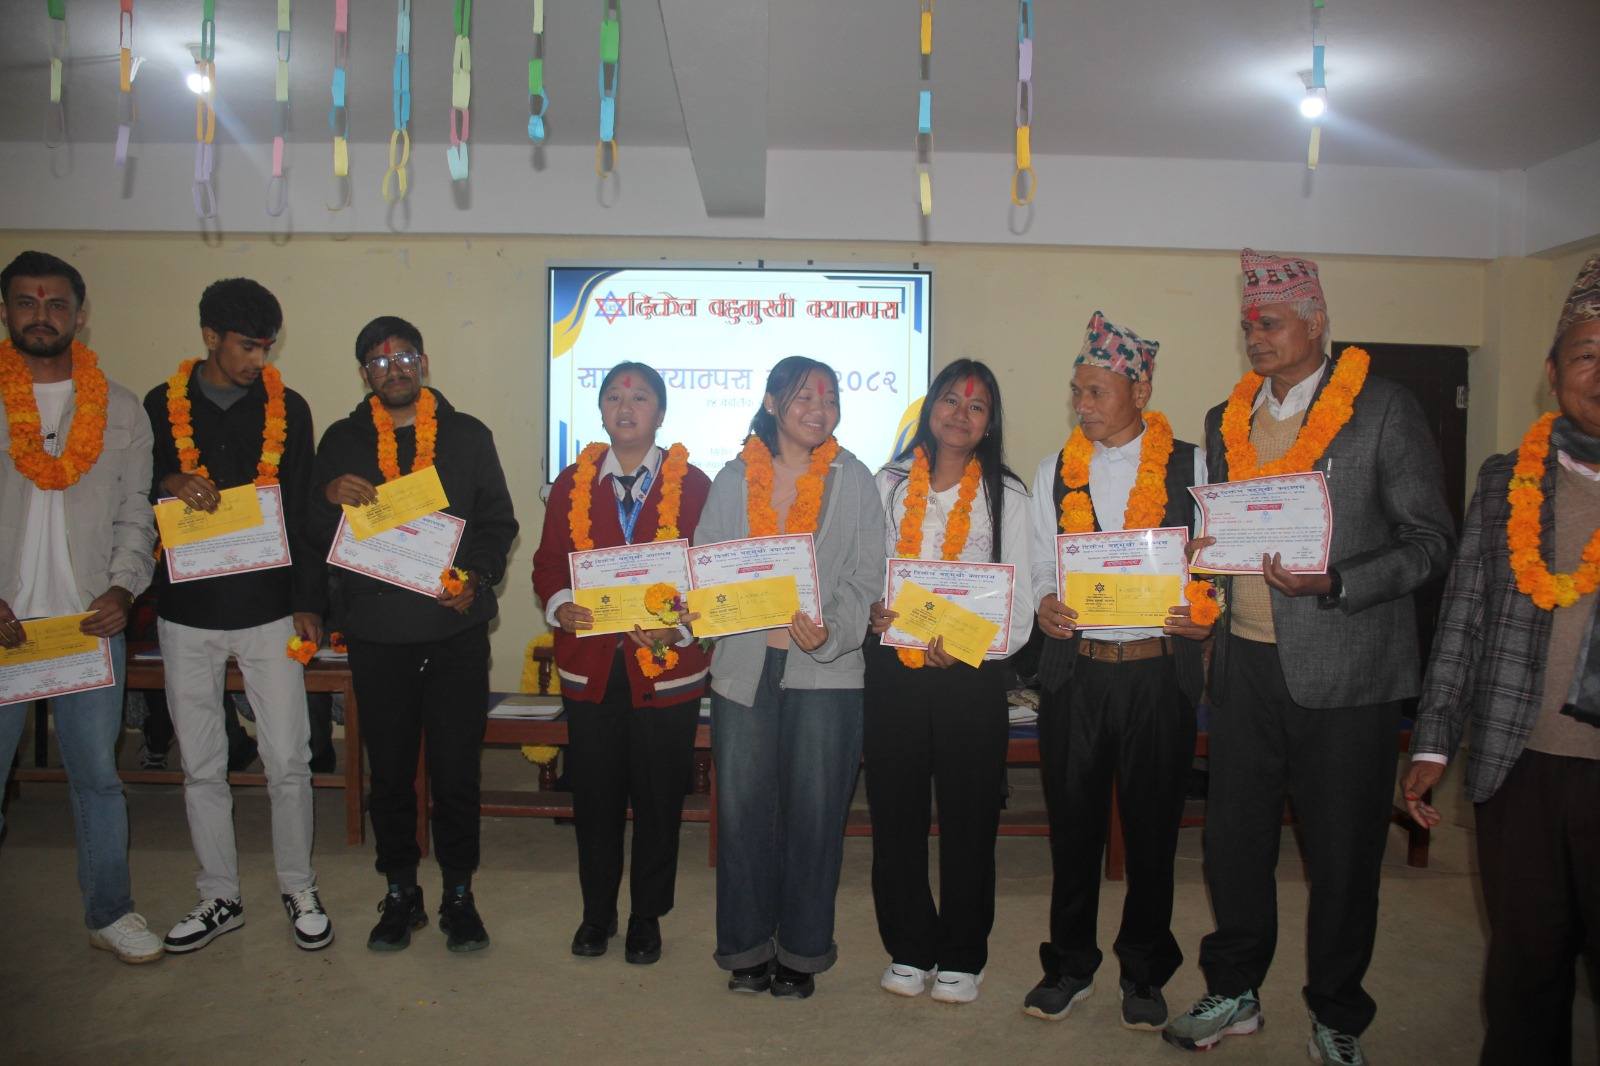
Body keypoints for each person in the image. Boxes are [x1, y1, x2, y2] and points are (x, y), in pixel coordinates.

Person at [1163, 250, 1454, 1064]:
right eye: (1247, 324)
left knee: (1343, 854)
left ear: (1318, 322)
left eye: (1271, 321)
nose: (1255, 336)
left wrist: (1337, 581)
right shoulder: (1227, 417)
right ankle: (1235, 991)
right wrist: (1200, 580)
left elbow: (1430, 542)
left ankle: (1337, 1012)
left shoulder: (1383, 408)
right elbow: (1224, 534)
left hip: (1350, 674)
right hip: (1246, 667)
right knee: (1234, 843)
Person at [1402, 255, 1600, 1066]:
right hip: (1519, 764)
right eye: (1587, 355)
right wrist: (1431, 742)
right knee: (1525, 965)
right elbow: (1464, 619)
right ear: (1553, 373)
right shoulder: (1504, 481)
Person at [1023, 313, 1212, 1029]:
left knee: (1153, 832)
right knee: (1072, 830)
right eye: (1077, 390)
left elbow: (1216, 561)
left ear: (1141, 390)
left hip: (1158, 676)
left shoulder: (1193, 466)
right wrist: (1044, 602)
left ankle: (1145, 970)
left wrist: (1208, 609)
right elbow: (1041, 562)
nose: (1082, 404)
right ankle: (1068, 966)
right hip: (1078, 674)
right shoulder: (1053, 470)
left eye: (1096, 391)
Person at [309, 316, 517, 953]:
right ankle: (400, 891)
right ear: (364, 374)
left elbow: (497, 523)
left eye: (404, 356)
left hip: (454, 630)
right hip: (377, 634)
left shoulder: (467, 434)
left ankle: (459, 893)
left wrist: (476, 577)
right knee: (391, 774)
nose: (393, 368)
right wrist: (327, 495)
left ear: (423, 363)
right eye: (378, 361)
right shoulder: (341, 440)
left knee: (456, 773)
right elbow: (313, 534)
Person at [141, 278, 330, 954]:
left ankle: (299, 885)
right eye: (247, 345)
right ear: (210, 337)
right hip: (185, 609)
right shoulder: (160, 405)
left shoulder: (290, 407)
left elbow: (304, 509)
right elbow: (134, 490)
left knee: (288, 758)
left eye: (266, 347)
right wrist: (167, 482)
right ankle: (218, 895)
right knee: (201, 763)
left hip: (269, 607)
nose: (258, 359)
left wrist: (309, 601)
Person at [695, 355, 885, 999]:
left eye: (829, 398)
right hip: (744, 669)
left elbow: (868, 575)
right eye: (804, 396)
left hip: (825, 672)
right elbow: (708, 566)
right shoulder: (732, 477)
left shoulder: (854, 479)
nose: (818, 409)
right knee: (743, 812)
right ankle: (746, 949)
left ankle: (802, 953)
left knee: (816, 813)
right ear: (773, 403)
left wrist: (833, 628)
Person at [0, 250, 161, 963]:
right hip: (3, 626)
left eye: (57, 304)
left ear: (80, 315)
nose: (42, 315)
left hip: (87, 625)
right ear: (6, 311)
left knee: (97, 777)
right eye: (27, 302)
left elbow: (136, 511)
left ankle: (110, 912)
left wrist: (124, 587)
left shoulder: (120, 409)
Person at [532, 361, 713, 965]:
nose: (626, 407)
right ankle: (597, 914)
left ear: (661, 412)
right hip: (593, 669)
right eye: (613, 396)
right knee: (596, 799)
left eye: (639, 397)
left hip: (669, 669)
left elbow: (712, 575)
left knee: (660, 801)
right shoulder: (571, 483)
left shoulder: (696, 486)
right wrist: (561, 605)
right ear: (602, 411)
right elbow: (548, 564)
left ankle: (646, 916)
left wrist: (679, 624)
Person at [864, 358, 1032, 1005]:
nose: (962, 414)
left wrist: (964, 648)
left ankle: (964, 954)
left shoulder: (1007, 494)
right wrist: (875, 611)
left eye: (977, 406)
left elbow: (1019, 604)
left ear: (990, 423)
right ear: (930, 406)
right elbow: (867, 573)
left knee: (969, 815)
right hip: (895, 671)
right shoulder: (887, 482)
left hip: (971, 675)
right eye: (951, 400)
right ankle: (909, 946)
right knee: (896, 812)